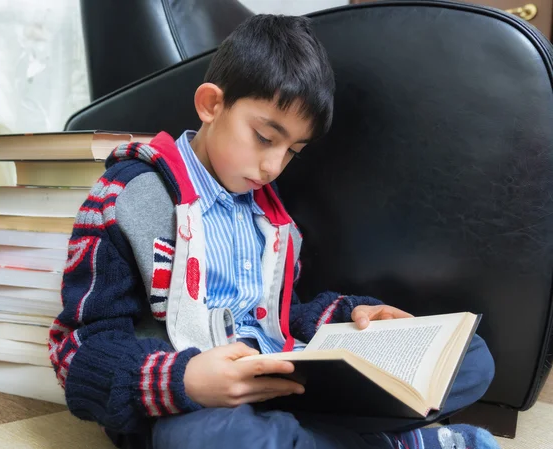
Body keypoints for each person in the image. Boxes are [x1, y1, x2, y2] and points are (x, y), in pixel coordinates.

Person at [49, 14, 499, 449]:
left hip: (287, 378)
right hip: (200, 403)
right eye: (265, 137)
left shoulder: (267, 210)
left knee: (470, 355)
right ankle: (403, 442)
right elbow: (78, 353)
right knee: (211, 439)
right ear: (211, 104)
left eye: (292, 151)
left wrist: (356, 317)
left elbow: (283, 316)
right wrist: (184, 380)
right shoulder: (126, 196)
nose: (272, 166)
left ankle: (331, 438)